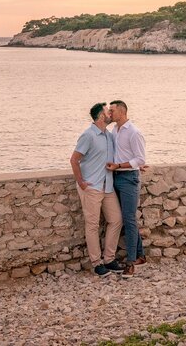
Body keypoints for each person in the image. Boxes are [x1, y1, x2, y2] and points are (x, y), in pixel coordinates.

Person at [70, 103, 124, 277]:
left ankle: (109, 259)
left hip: (107, 186)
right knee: (92, 225)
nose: (110, 114)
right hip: (92, 187)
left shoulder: (109, 135)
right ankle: (96, 263)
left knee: (116, 220)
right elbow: (74, 160)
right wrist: (82, 183)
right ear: (101, 116)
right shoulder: (88, 135)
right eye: (108, 112)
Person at [107, 100, 146, 279]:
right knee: (126, 218)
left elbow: (140, 159)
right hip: (116, 177)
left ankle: (130, 263)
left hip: (129, 178)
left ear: (122, 112)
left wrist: (121, 165)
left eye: (112, 111)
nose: (110, 113)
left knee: (129, 219)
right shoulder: (115, 130)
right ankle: (140, 255)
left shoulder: (134, 132)